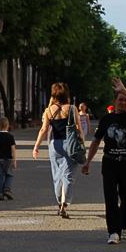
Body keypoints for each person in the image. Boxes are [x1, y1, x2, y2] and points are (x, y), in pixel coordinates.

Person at [82, 78, 126, 245]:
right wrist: (88, 161)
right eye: (120, 99)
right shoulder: (106, 120)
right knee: (110, 198)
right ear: (115, 102)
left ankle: (124, 226)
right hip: (109, 163)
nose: (123, 102)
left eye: (125, 100)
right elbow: (96, 141)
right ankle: (113, 232)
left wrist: (124, 90)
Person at [32, 82, 83, 218]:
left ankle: (59, 201)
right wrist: (82, 144)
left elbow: (43, 130)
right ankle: (64, 204)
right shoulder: (72, 109)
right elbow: (79, 128)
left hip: (55, 145)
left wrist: (36, 146)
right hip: (70, 144)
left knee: (57, 175)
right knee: (68, 176)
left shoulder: (49, 110)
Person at [0, 117, 16, 201]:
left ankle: (0, 193)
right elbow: (13, 150)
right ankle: (7, 189)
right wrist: (14, 161)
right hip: (8, 159)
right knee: (9, 175)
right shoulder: (10, 136)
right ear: (7, 126)